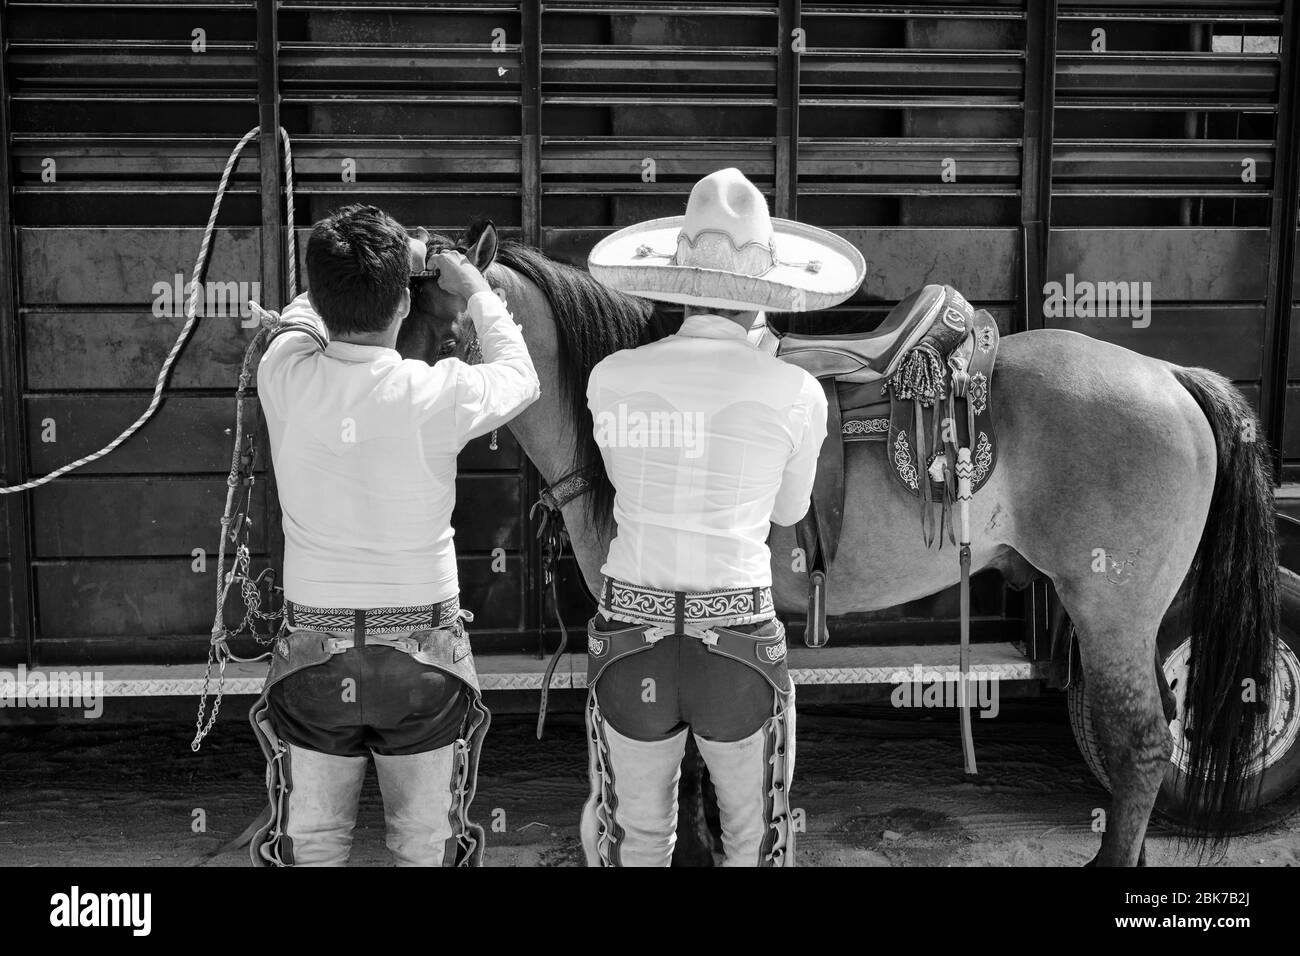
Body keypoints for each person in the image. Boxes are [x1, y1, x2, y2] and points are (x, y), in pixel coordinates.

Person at [579, 168, 866, 865]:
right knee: (754, 842)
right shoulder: (797, 391)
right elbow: (788, 511)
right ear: (763, 297)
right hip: (736, 649)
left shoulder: (610, 375)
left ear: (678, 284)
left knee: (636, 841)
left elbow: (622, 484)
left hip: (631, 640)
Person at [246, 203, 540, 866]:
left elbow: (300, 315)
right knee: (423, 845)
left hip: (314, 661)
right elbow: (522, 376)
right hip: (422, 662)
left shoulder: (284, 374)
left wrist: (384, 263)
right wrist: (472, 285)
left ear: (321, 300)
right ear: (405, 307)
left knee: (314, 845)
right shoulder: (436, 392)